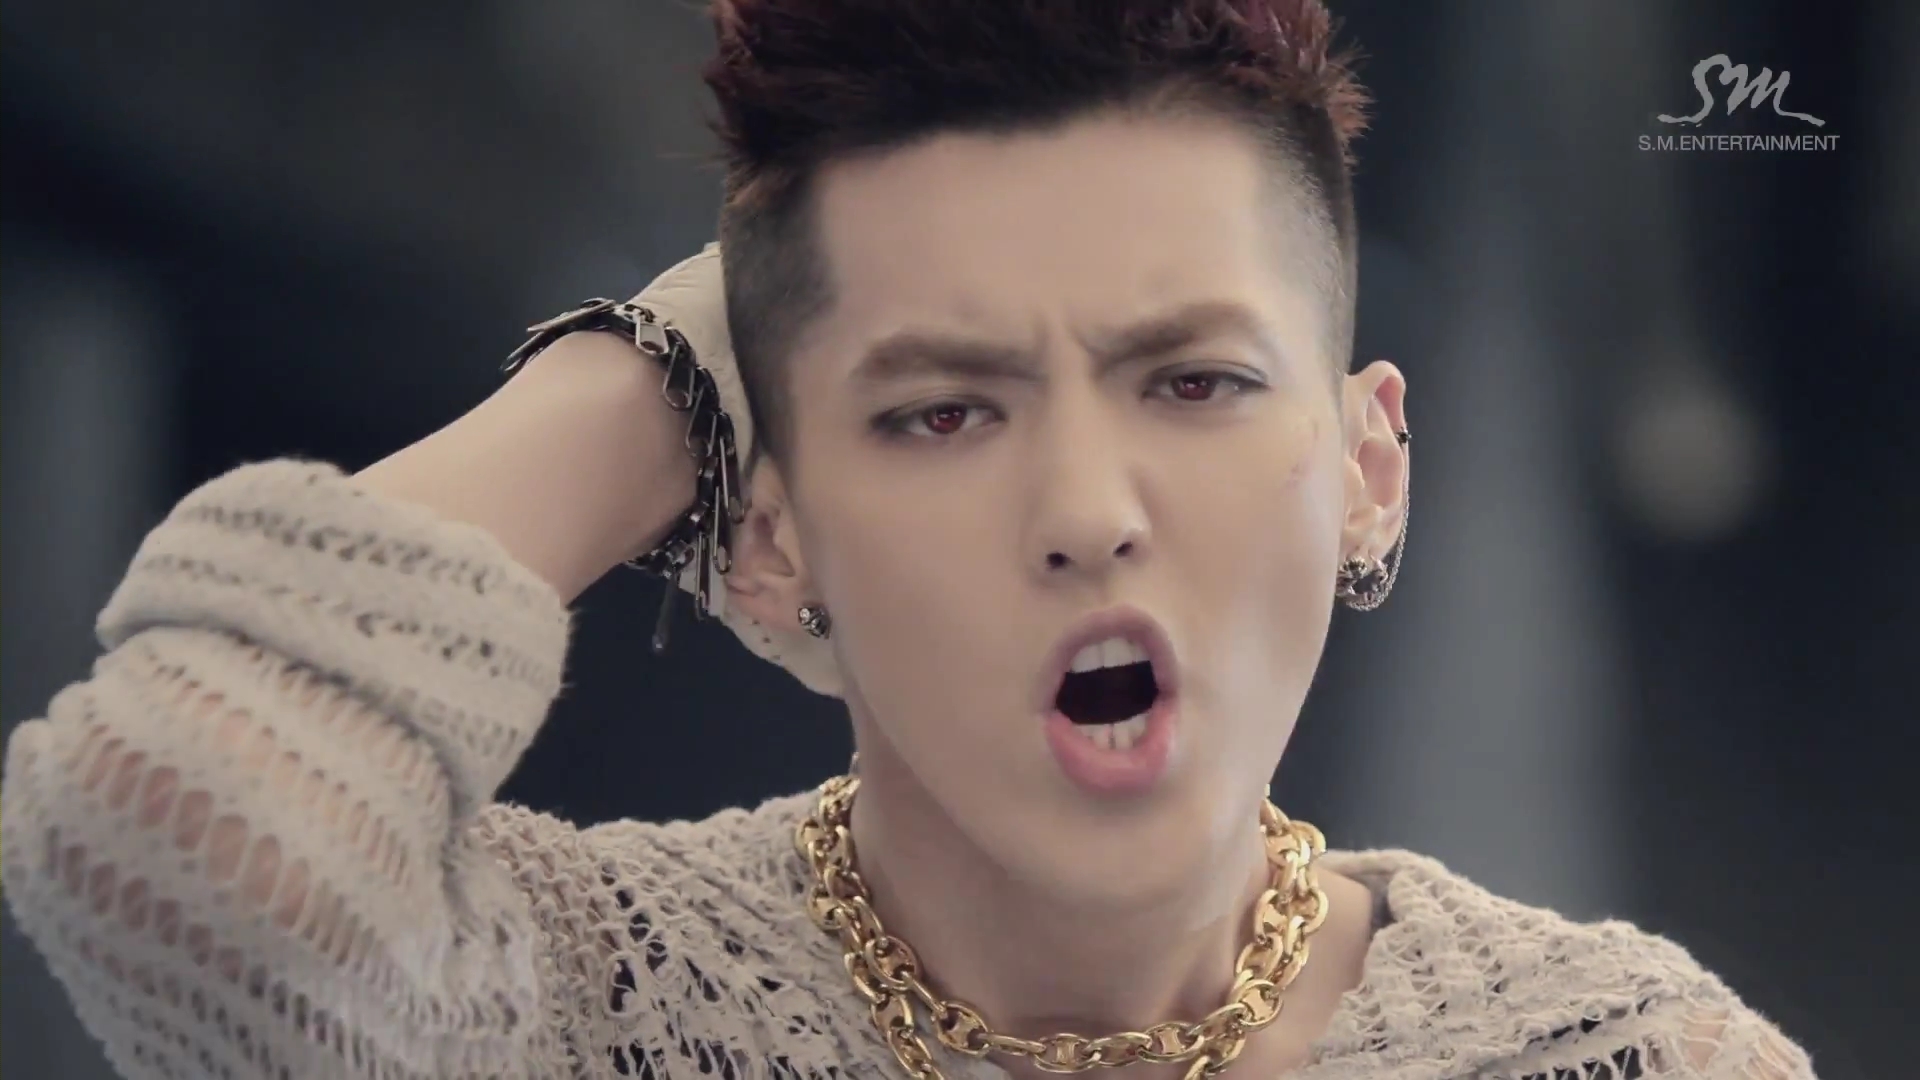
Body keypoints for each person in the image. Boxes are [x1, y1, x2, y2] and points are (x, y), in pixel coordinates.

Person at [0, 1, 1817, 1078]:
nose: (1087, 512)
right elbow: (156, 818)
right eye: (945, 412)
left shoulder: (1616, 1053)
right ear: (770, 539)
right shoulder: (571, 1002)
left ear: (1368, 469)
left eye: (1191, 382)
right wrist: (670, 366)